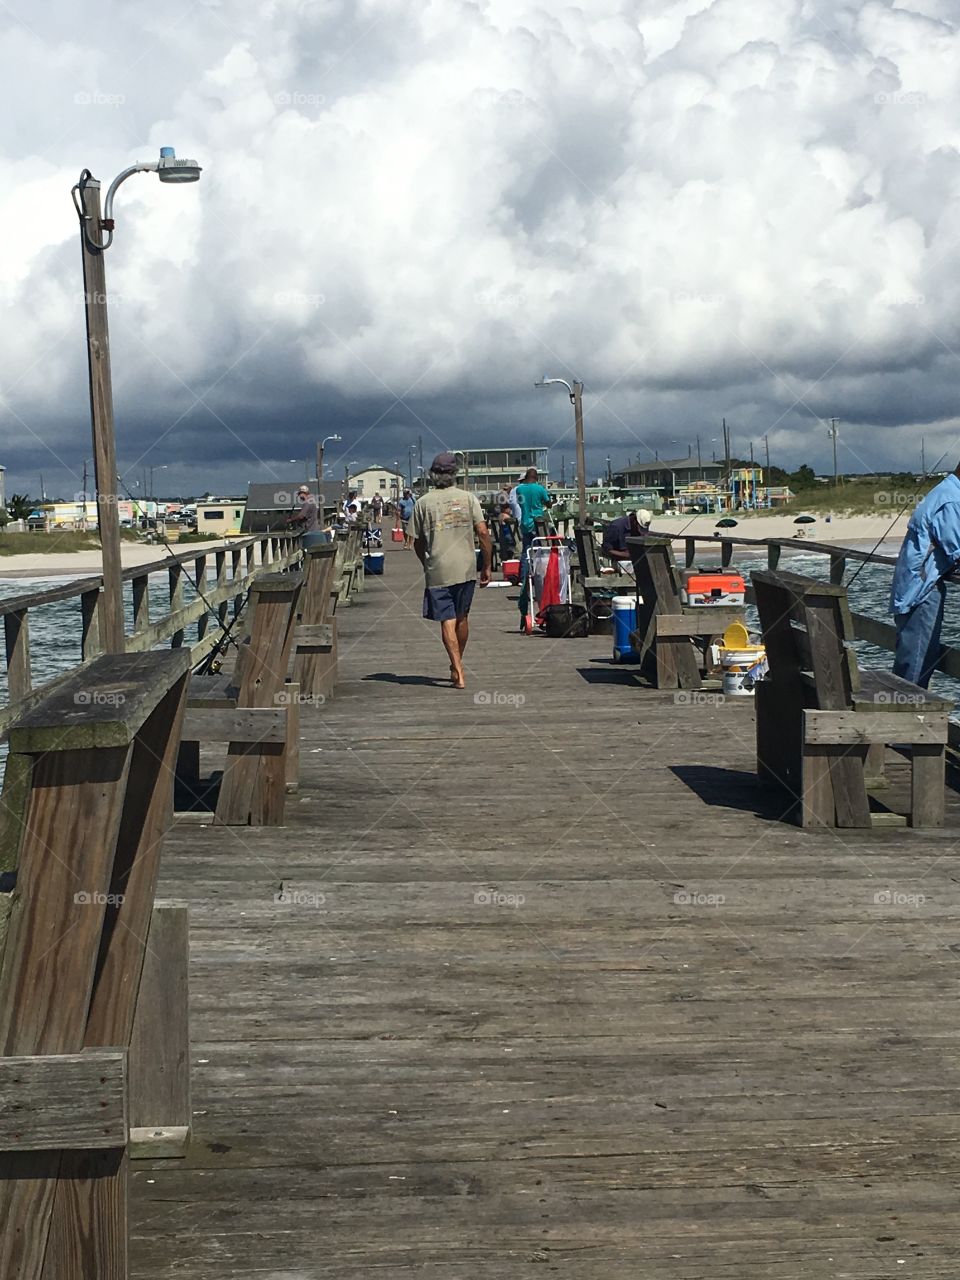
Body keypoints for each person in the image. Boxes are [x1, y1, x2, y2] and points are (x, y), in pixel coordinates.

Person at [412, 453, 491, 688]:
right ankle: (457, 664)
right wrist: (486, 565)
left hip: (438, 569)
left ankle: (458, 668)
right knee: (462, 617)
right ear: (454, 474)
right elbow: (484, 533)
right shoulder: (468, 499)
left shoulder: (423, 502)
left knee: (447, 620)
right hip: (466, 567)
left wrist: (425, 561)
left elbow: (416, 541)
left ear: (432, 475)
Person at [890, 467, 960, 687]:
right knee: (916, 668)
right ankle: (905, 716)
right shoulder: (952, 500)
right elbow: (956, 547)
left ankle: (903, 713)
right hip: (921, 592)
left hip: (912, 586)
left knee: (911, 661)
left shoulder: (944, 491)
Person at [515, 467, 553, 554]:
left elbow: (520, 503)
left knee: (526, 551)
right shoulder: (540, 489)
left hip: (525, 523)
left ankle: (525, 567)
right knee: (541, 550)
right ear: (536, 478)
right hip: (538, 524)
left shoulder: (519, 489)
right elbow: (549, 505)